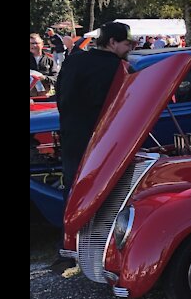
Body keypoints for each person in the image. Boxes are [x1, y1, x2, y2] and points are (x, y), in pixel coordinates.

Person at [54, 21, 136, 200]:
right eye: (127, 44)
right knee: (106, 196)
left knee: (75, 194)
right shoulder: (121, 68)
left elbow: (60, 95)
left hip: (72, 137)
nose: (129, 49)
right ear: (113, 42)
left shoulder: (73, 60)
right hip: (106, 141)